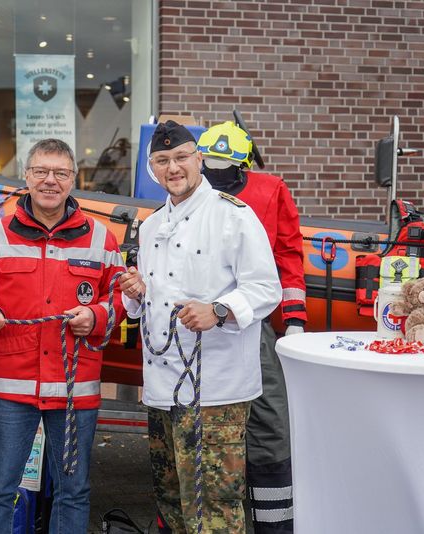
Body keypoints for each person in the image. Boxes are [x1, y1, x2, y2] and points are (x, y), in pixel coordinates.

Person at [0, 138, 127, 534]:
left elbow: (120, 299)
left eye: (61, 173)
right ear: (27, 176)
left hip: (74, 389)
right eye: (42, 171)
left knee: (74, 491)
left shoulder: (102, 239)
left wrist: (97, 315)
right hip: (10, 388)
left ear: (73, 180)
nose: (51, 180)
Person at [119, 120, 281, 533]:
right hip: (162, 390)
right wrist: (136, 293)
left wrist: (220, 311)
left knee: (216, 508)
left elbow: (266, 288)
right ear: (153, 169)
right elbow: (148, 303)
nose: (173, 168)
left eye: (180, 158)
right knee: (171, 498)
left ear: (199, 160)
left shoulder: (234, 216)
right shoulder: (151, 225)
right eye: (162, 161)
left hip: (217, 391)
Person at [197, 121, 306, 533]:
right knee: (205, 426)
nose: (215, 170)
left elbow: (288, 255)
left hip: (255, 324)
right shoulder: (186, 195)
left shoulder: (269, 191)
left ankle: (274, 525)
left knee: (269, 423)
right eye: (209, 163)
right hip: (201, 328)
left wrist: (294, 321)